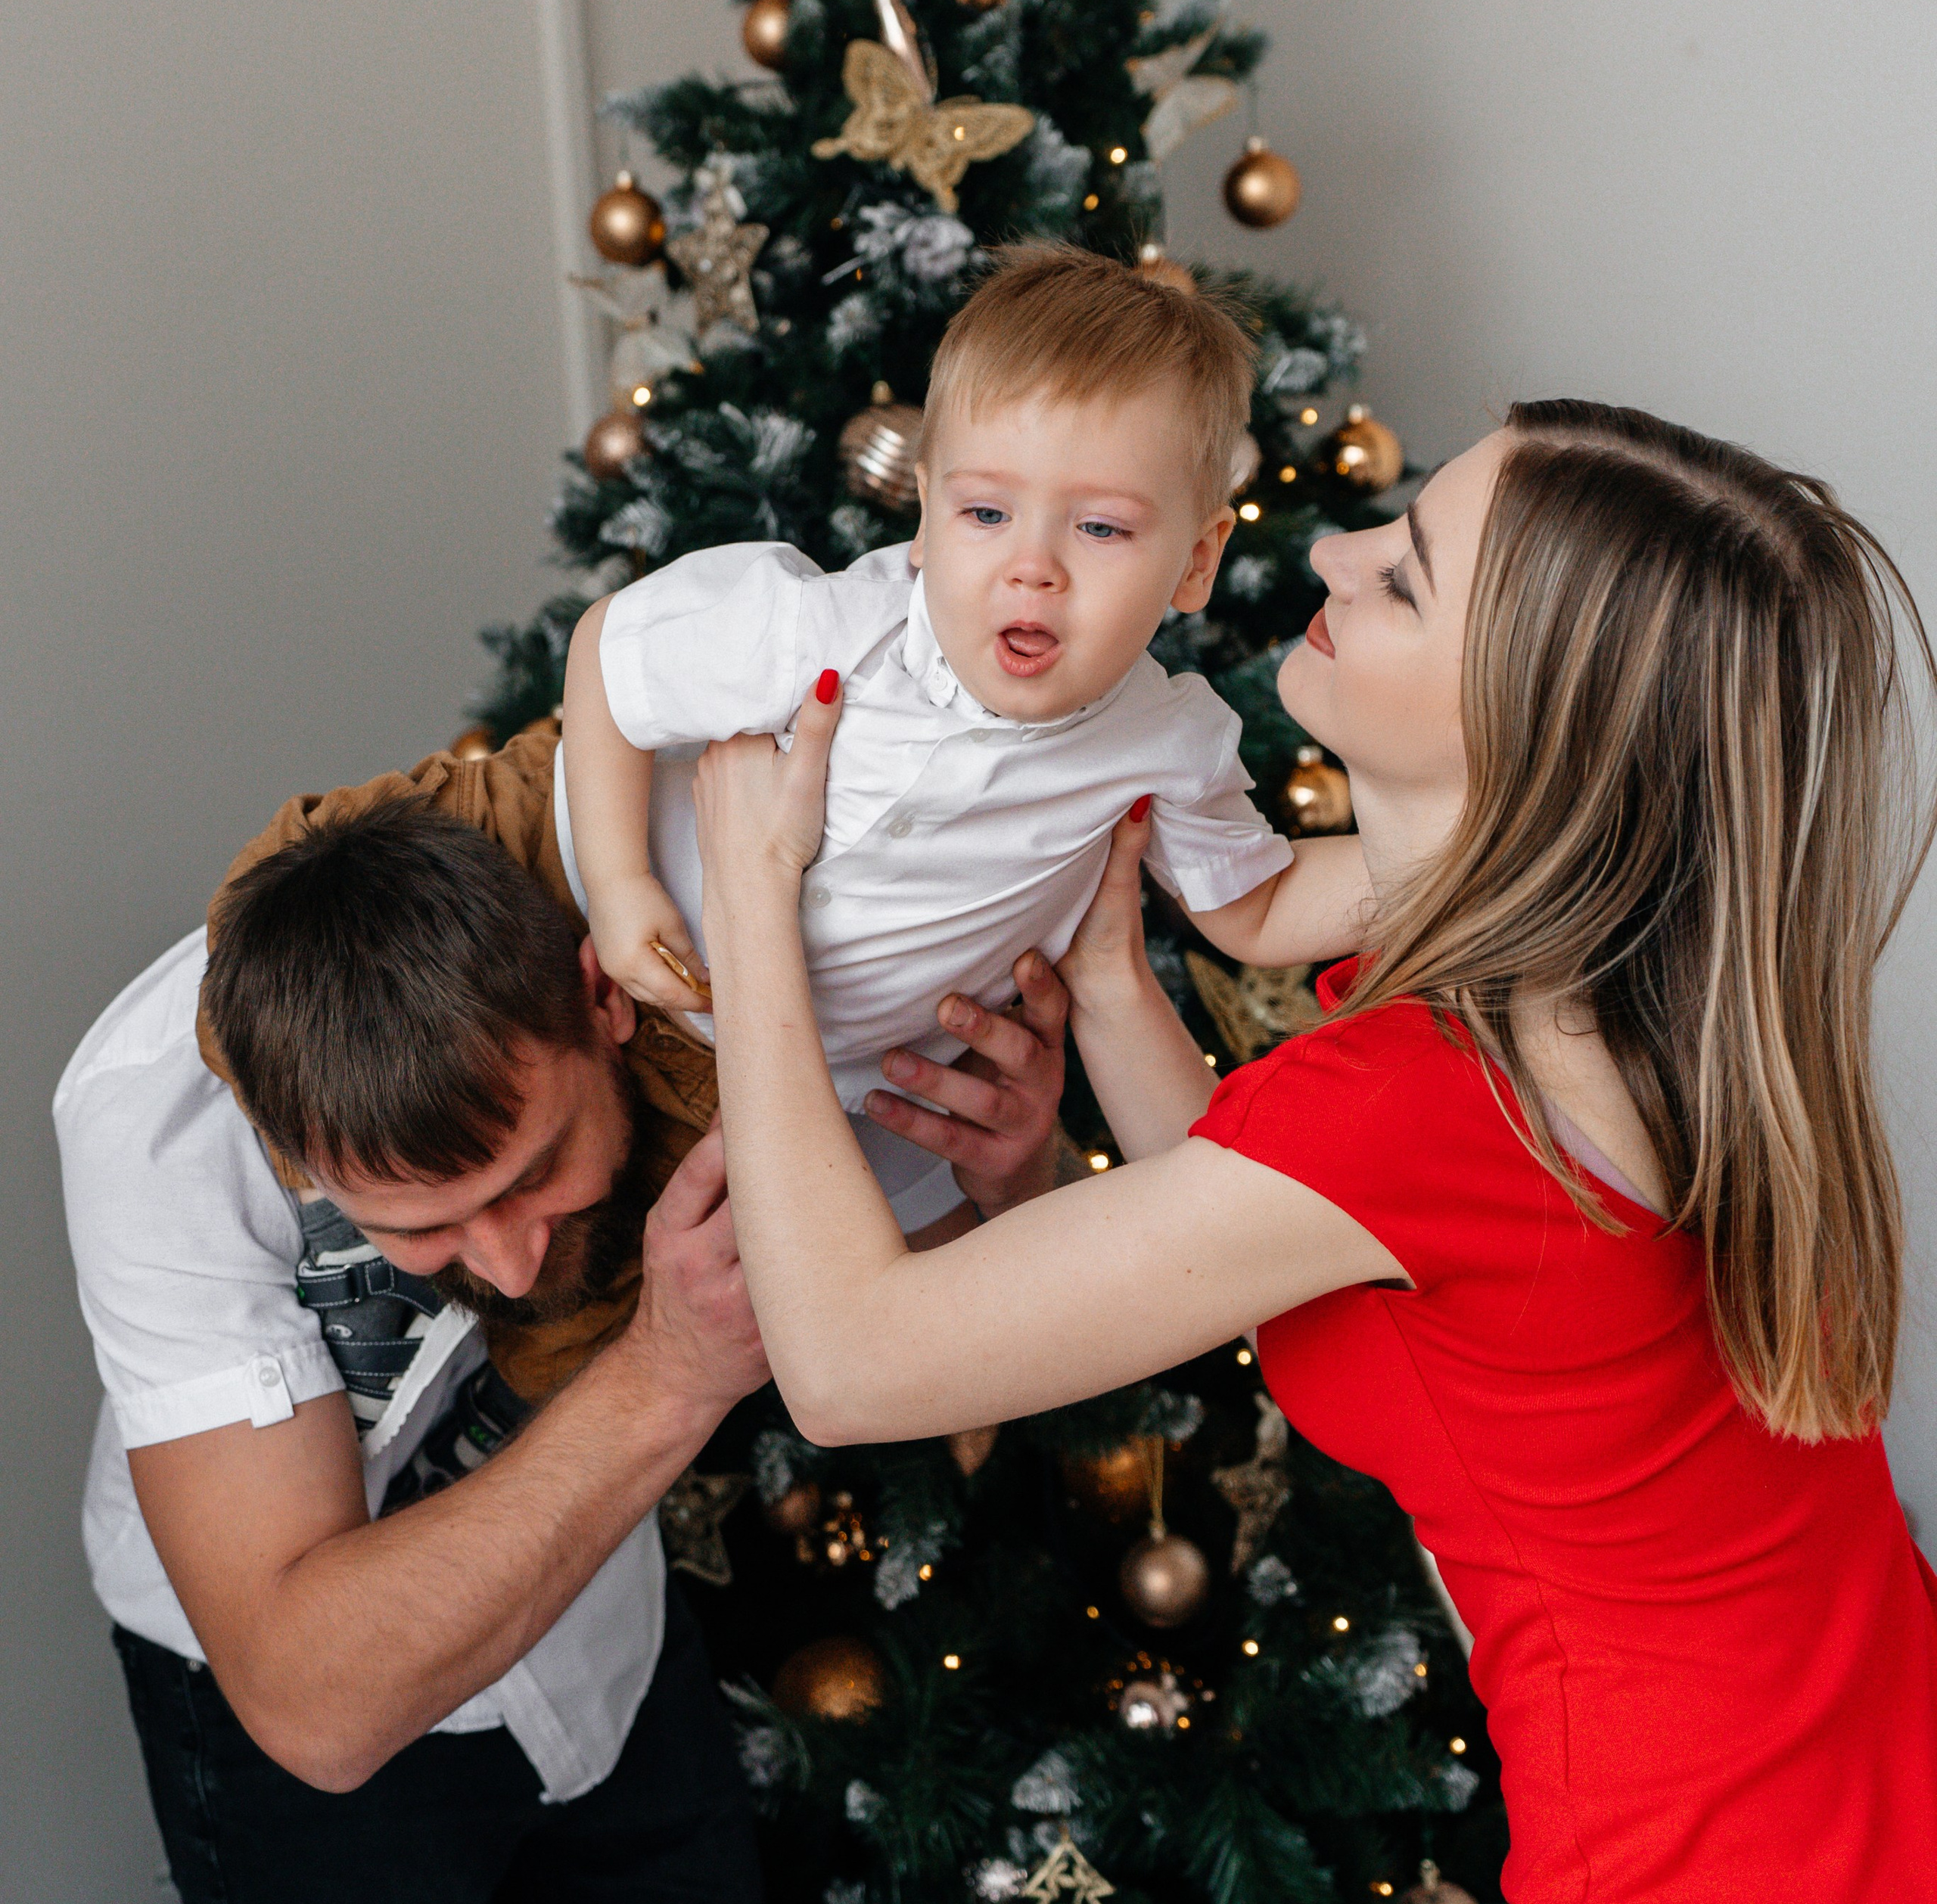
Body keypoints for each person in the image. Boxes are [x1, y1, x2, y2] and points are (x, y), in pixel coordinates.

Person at [687, 402, 1937, 1904]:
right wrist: (1110, 983)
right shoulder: (1627, 1012)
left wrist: (748, 910)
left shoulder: (1425, 1101)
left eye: (1406, 567)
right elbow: (1322, 1250)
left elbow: (846, 1358)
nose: (1333, 557)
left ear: (1531, 730)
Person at [53, 728, 1069, 1904]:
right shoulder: (152, 1113)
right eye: (428, 1229)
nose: (517, 1261)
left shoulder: (712, 962)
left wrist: (1010, 1189)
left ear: (601, 1009)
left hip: (600, 1650)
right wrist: (666, 1377)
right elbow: (311, 1693)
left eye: (535, 1171)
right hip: (280, 1700)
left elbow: (925, 1328)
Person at [558, 244, 1374, 1233]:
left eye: (1102, 530)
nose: (1031, 566)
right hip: (598, 922)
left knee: (903, 1277)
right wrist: (617, 881)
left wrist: (1474, 857)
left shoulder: (1165, 739)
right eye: (985, 511)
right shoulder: (836, 632)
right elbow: (610, 652)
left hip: (832, 1088)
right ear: (927, 515)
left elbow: (1260, 906)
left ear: (1196, 563)